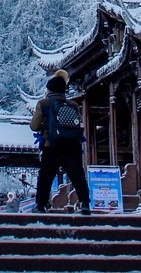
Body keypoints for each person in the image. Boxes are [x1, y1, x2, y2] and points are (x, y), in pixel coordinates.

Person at [30, 69, 91, 215]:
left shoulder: (44, 103)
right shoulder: (73, 105)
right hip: (72, 146)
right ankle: (85, 203)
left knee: (46, 176)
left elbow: (34, 126)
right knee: (77, 175)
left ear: (49, 89)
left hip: (52, 145)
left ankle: (40, 205)